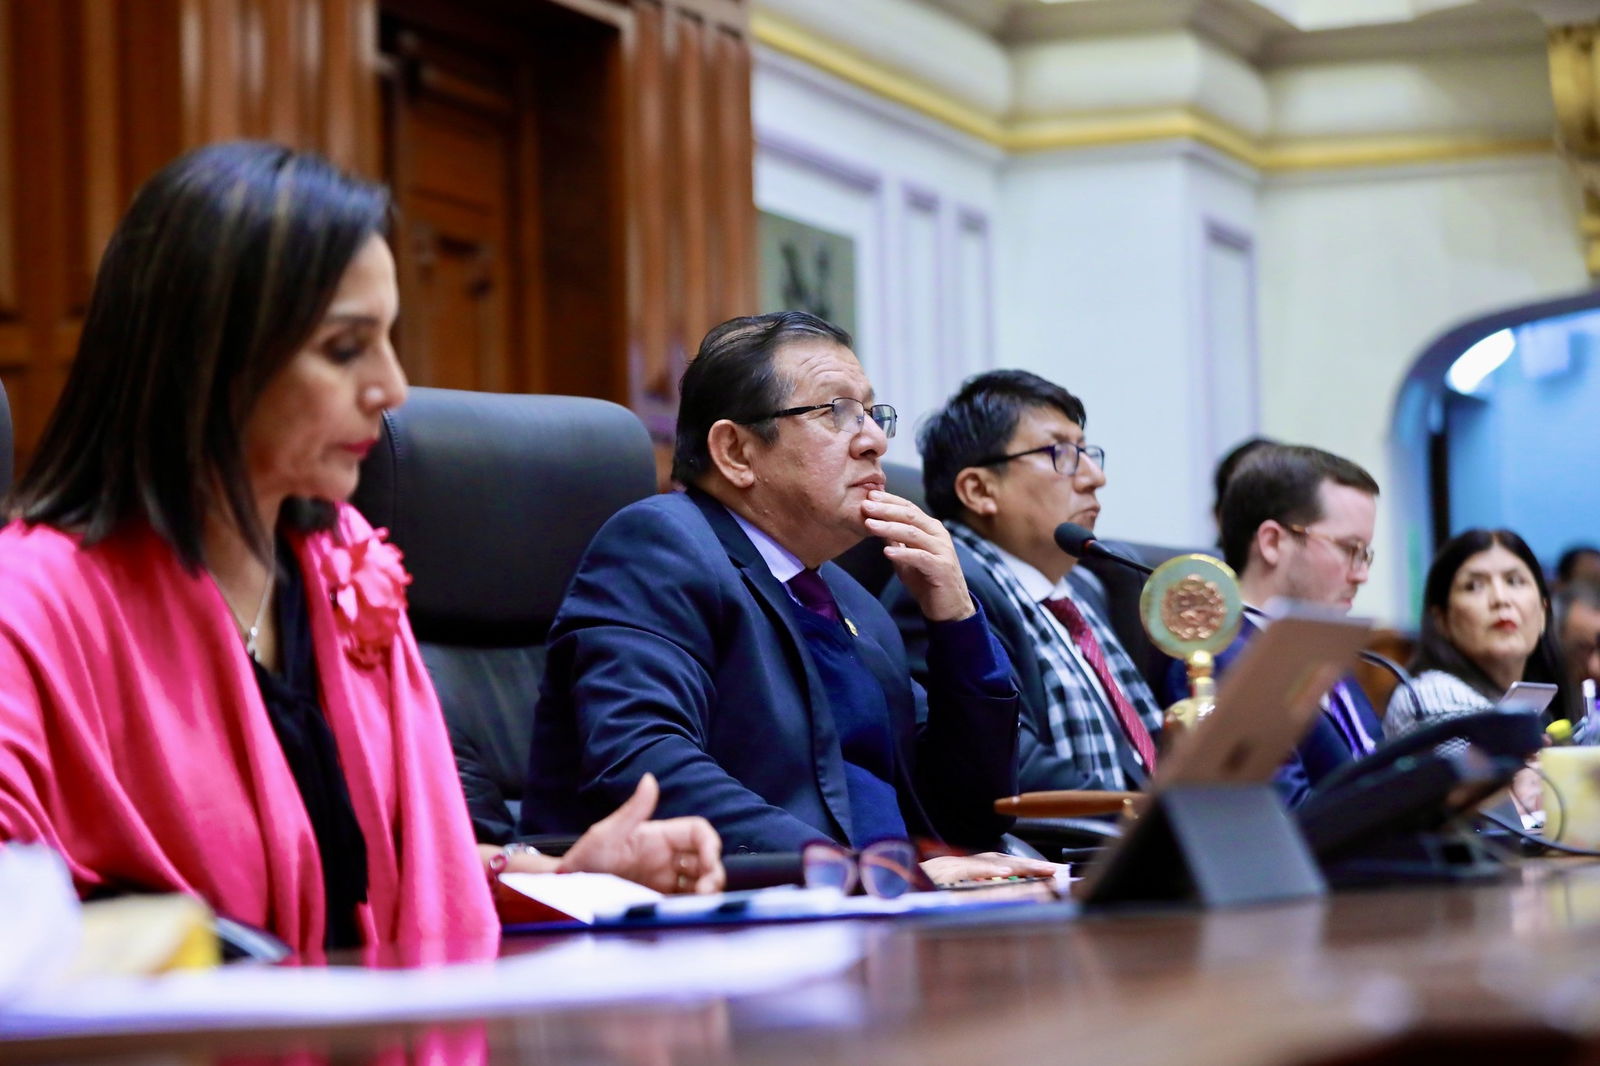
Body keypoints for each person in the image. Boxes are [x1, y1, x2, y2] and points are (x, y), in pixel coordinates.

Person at [0, 142, 721, 958]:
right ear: (207, 354)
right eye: (346, 348)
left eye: (387, 340)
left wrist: (559, 877)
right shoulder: (30, 601)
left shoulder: (340, 562)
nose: (392, 389)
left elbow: (374, 881)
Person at [523, 312, 1053, 885]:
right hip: (733, 926)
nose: (874, 439)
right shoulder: (659, 545)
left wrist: (957, 620)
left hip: (887, 915)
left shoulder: (856, 606)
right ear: (737, 453)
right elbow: (646, 767)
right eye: (837, 413)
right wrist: (868, 874)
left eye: (872, 413)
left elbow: (969, 813)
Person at [886, 370, 1164, 792]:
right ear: (979, 490)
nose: (1094, 477)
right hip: (1062, 848)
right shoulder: (944, 586)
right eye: (1063, 453)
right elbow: (1010, 763)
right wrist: (1153, 822)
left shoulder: (1087, 589)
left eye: (1088, 453)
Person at [1175, 443, 1384, 807]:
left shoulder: (1319, 647)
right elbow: (1287, 814)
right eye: (1350, 549)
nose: (1362, 573)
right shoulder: (1220, 659)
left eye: (1365, 553)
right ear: (1272, 542)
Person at [1386, 528, 1578, 737]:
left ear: (1543, 612)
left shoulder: (1543, 708)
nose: (1500, 598)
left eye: (1514, 581)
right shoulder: (1429, 696)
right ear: (1441, 620)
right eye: (1475, 586)